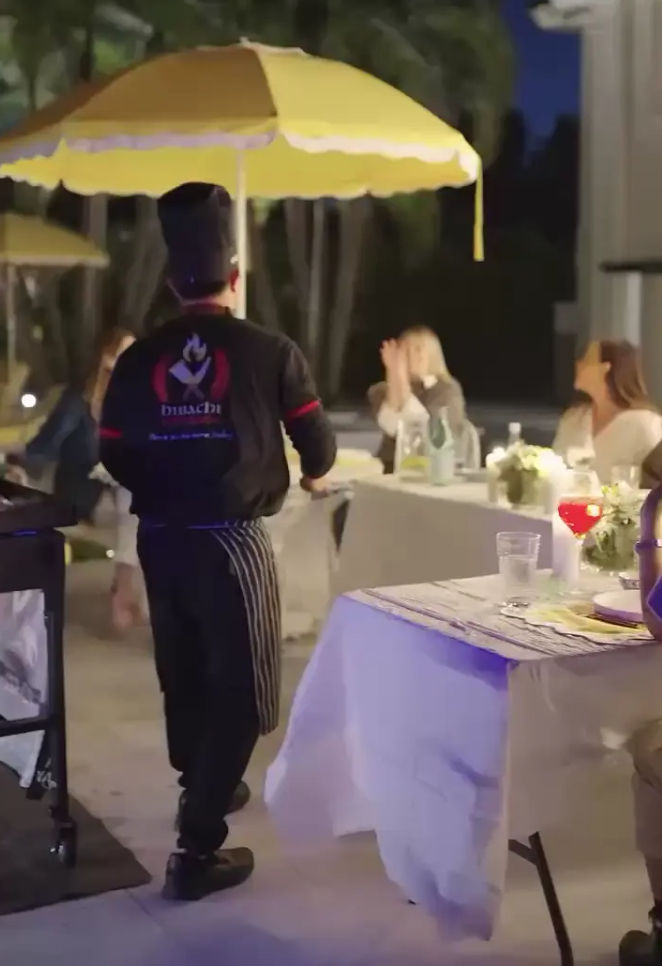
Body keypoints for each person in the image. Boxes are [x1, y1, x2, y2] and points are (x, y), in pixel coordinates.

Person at [99, 182, 336, 902]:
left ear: (173, 281)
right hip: (233, 540)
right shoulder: (272, 352)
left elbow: (114, 452)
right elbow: (319, 452)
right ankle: (196, 847)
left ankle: (201, 786)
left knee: (186, 673)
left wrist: (169, 478)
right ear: (234, 277)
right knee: (245, 689)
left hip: (162, 536)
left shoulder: (140, 360)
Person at [23, 327, 135, 522]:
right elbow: (47, 442)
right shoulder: (78, 401)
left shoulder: (128, 400)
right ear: (106, 358)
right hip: (73, 499)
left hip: (106, 509)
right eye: (122, 354)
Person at [553, 340, 662, 483]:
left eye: (587, 359)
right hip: (569, 504)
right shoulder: (573, 418)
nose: (578, 364)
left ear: (606, 368)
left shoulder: (646, 425)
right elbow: (553, 471)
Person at [368, 326, 466, 473]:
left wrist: (400, 377)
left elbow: (425, 431)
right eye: (404, 350)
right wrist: (394, 374)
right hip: (390, 468)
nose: (409, 356)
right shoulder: (379, 390)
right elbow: (391, 425)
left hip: (435, 468)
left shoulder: (448, 390)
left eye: (418, 349)